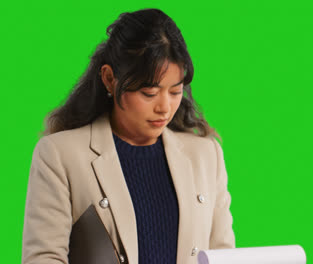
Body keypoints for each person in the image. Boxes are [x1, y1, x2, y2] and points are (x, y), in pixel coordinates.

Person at [21, 8, 235, 264]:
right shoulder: (59, 155)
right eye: (149, 93)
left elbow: (223, 256)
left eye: (176, 91)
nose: (164, 107)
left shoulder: (206, 155)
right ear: (110, 79)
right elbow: (43, 258)